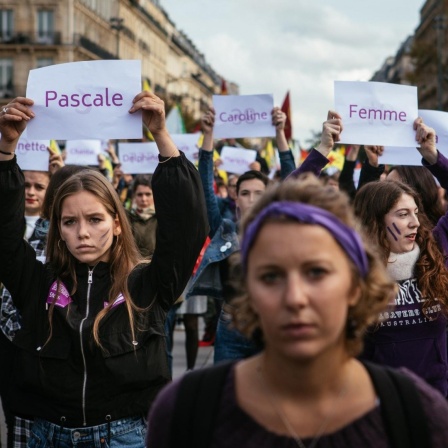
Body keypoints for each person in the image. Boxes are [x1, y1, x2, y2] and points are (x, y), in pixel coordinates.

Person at [147, 173, 448, 448]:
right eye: (271, 276)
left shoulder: (418, 415)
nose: (295, 298)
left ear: (355, 286)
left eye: (316, 272)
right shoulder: (186, 411)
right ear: (247, 291)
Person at [0, 92, 208, 447]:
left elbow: (187, 226)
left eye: (94, 219)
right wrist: (5, 150)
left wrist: (161, 135)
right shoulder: (36, 282)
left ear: (115, 223)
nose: (82, 232)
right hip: (48, 436)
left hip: (124, 437)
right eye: (69, 222)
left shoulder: (147, 284)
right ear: (57, 228)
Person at [189, 105, 295, 363]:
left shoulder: (279, 229)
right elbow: (204, 187)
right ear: (236, 198)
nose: (251, 199)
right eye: (245, 193)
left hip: (271, 324)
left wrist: (280, 134)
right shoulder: (224, 228)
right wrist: (209, 135)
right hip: (231, 326)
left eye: (259, 193)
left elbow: (294, 180)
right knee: (228, 397)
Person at [353, 120, 448, 396]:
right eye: (403, 214)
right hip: (381, 404)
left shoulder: (436, 247)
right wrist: (322, 151)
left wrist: (432, 156)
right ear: (376, 222)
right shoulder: (355, 266)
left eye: (415, 213)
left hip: (437, 399)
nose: (415, 223)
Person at [125, 174, 157, 259]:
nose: (144, 199)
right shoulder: (127, 217)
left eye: (148, 194)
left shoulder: (162, 217)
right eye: (140, 194)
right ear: (134, 195)